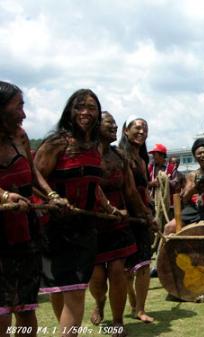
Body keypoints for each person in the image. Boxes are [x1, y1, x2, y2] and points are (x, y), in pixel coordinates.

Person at [35, 89, 123, 337]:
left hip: (85, 230)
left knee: (74, 292)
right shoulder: (57, 143)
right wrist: (52, 197)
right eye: (79, 107)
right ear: (70, 111)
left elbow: (92, 186)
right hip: (54, 229)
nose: (85, 112)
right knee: (62, 291)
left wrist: (109, 207)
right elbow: (34, 177)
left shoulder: (95, 147)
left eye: (91, 107)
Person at [0, 81, 67, 337]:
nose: (24, 114)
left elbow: (32, 172)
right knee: (2, 313)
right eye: (19, 107)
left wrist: (51, 195)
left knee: (26, 308)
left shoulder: (20, 135)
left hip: (26, 232)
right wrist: (5, 195)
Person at [89, 112, 155, 336]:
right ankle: (99, 301)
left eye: (116, 123)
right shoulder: (85, 155)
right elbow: (89, 186)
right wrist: (108, 208)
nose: (114, 126)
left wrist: (145, 213)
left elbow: (130, 191)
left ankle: (118, 321)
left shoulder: (120, 157)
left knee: (118, 271)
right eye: (110, 124)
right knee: (97, 277)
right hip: (93, 223)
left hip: (120, 223)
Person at [119, 116, 155, 323]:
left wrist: (150, 210)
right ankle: (131, 303)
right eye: (138, 127)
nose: (142, 132)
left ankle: (140, 309)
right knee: (124, 270)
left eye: (145, 128)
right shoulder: (118, 155)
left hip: (142, 217)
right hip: (124, 215)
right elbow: (129, 191)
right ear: (125, 130)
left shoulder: (142, 159)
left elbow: (143, 191)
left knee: (143, 265)